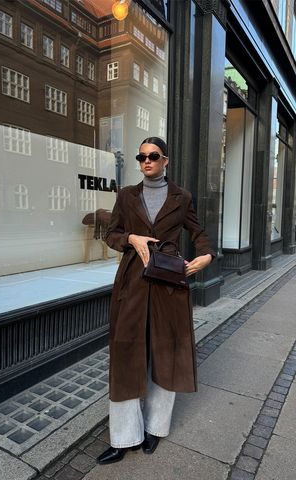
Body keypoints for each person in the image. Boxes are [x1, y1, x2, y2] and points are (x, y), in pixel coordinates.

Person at [97, 137, 215, 465]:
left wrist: (206, 255)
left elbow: (198, 232)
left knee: (166, 351)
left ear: (166, 160)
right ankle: (123, 437)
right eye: (141, 156)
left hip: (169, 283)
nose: (146, 161)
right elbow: (111, 234)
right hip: (132, 282)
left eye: (153, 156)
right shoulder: (126, 196)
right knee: (126, 353)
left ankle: (155, 428)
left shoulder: (182, 197)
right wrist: (130, 238)